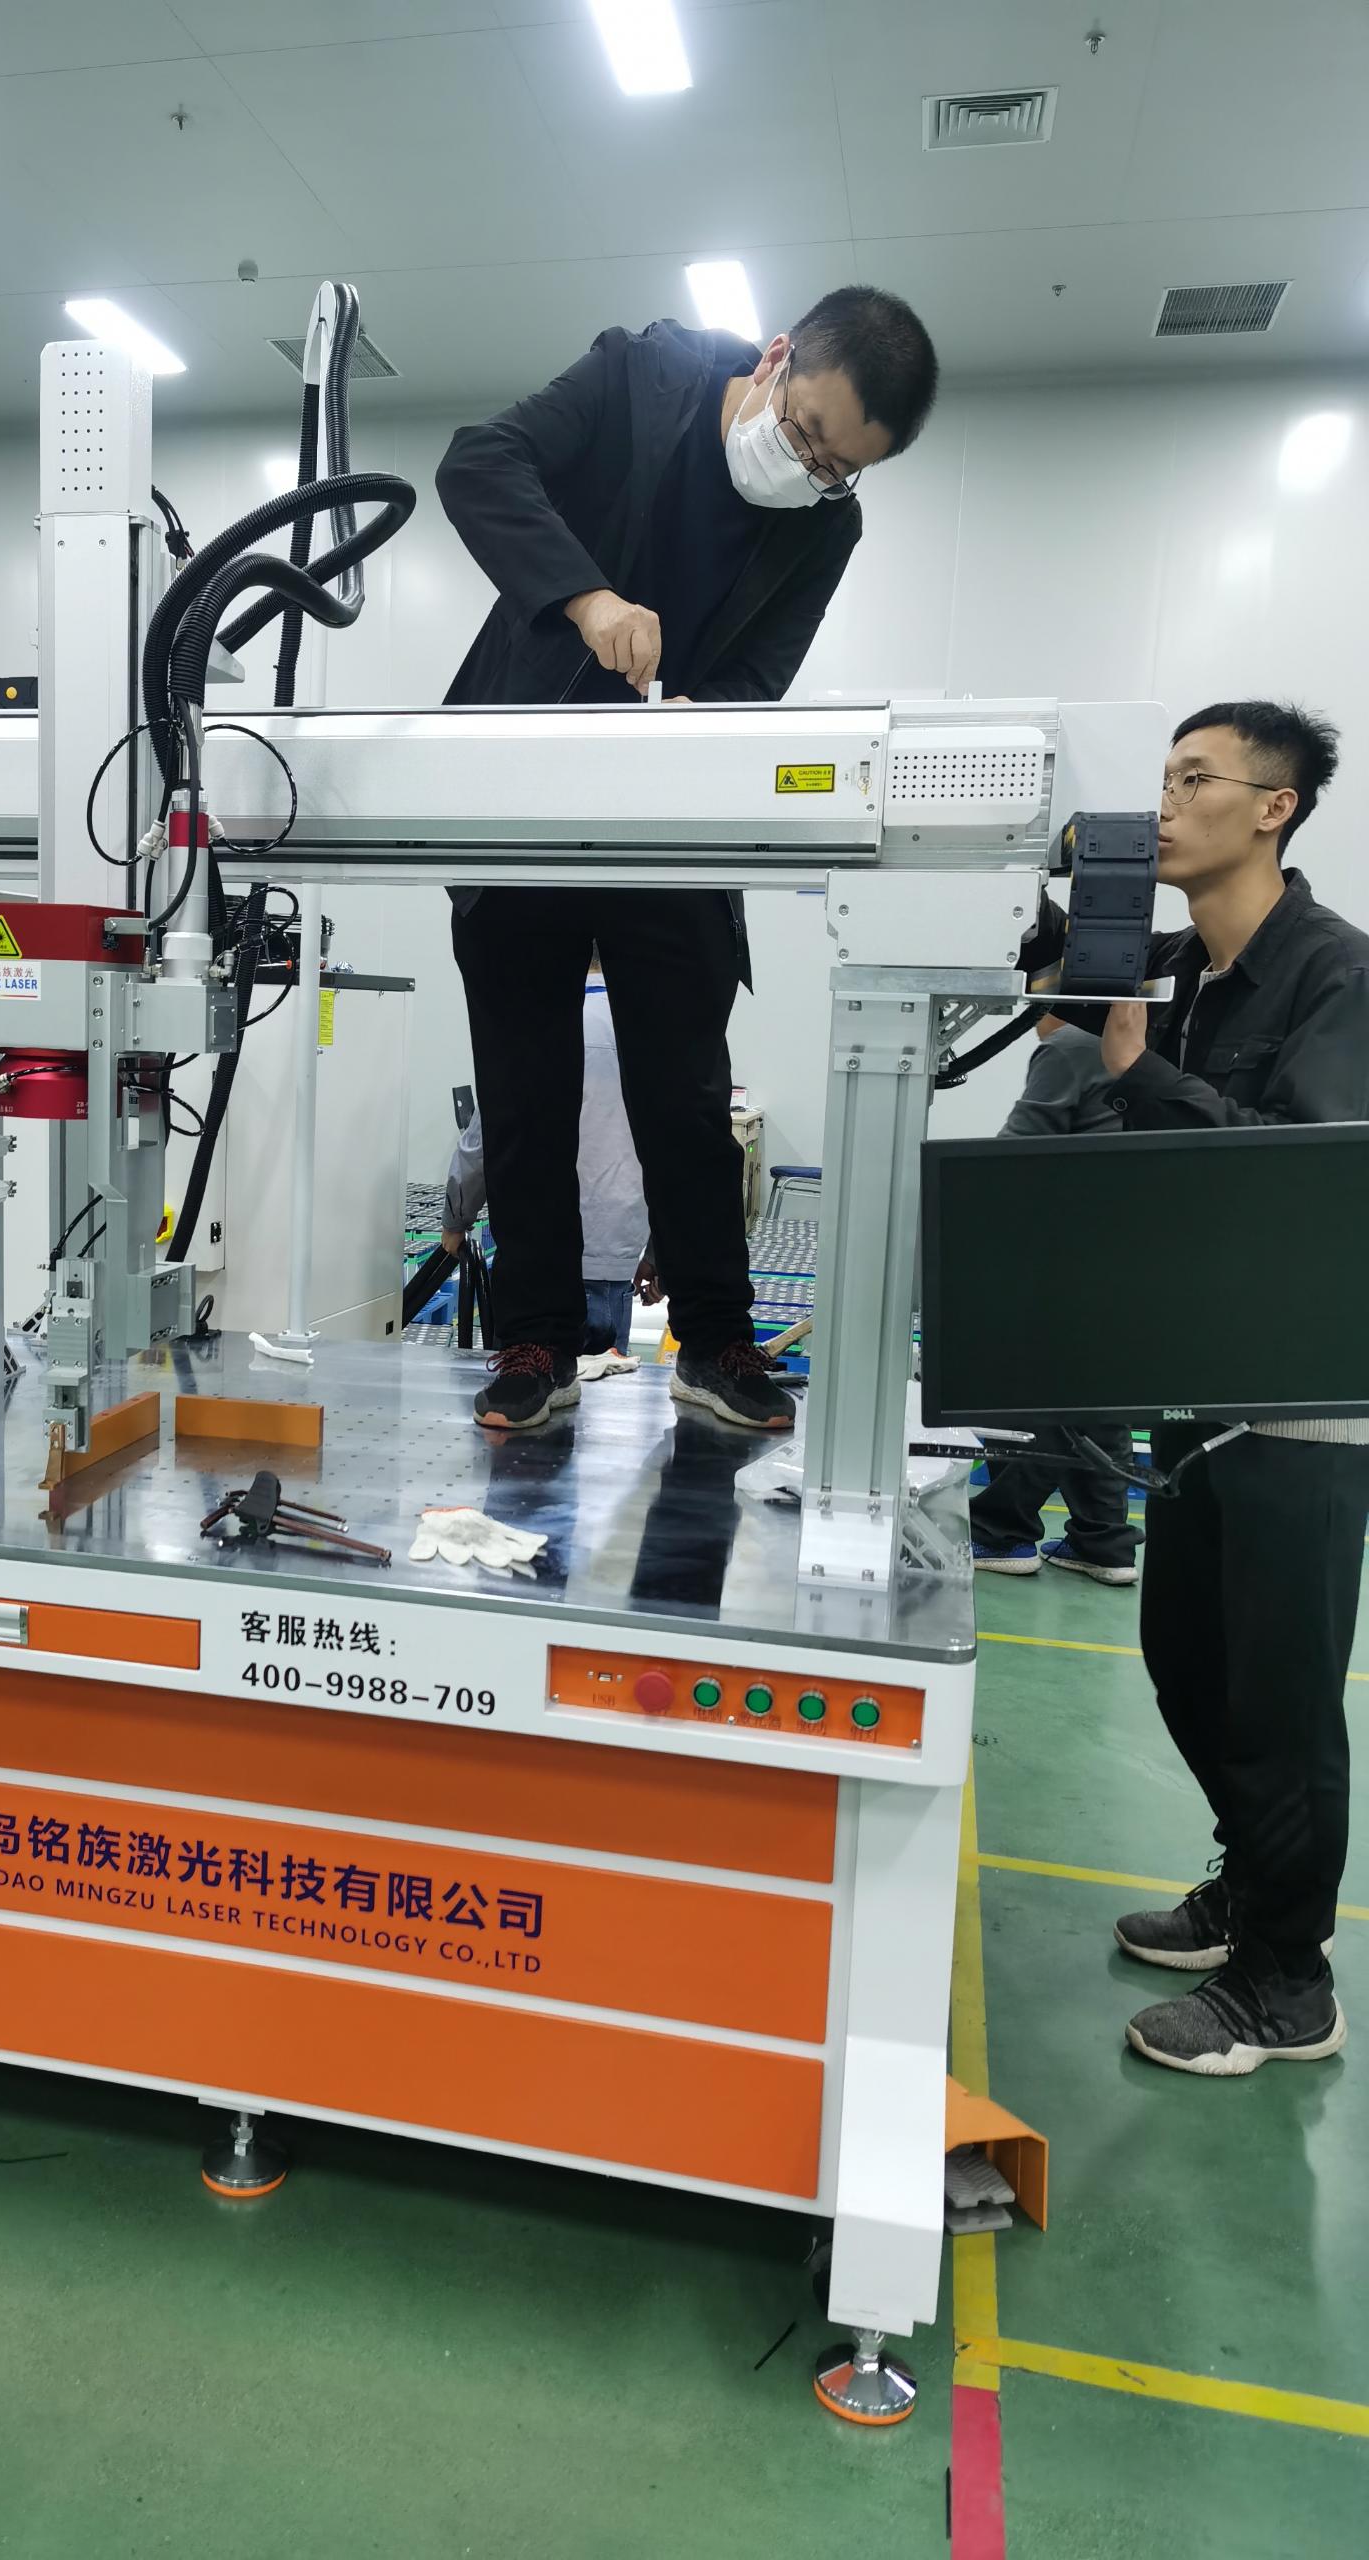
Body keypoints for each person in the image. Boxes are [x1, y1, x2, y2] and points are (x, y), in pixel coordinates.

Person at [437, 287, 940, 1432]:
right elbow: (478, 464)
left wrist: (694, 726)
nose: (809, 471)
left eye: (838, 469)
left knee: (687, 1094)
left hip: (665, 819)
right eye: (805, 434)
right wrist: (588, 598)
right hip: (519, 796)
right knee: (525, 1085)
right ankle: (537, 1341)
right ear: (775, 360)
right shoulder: (637, 379)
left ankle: (715, 1341)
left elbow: (758, 679)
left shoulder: (827, 527)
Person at [1038, 701, 1369, 2075]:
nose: (1165, 805)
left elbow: (1300, 1171)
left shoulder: (1337, 973)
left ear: (1274, 807)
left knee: (1282, 1699)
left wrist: (1141, 1068)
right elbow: (1056, 997)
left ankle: (1289, 1982)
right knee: (1189, 1663)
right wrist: (1064, 894)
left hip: (1300, 1390)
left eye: (1194, 780)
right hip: (1193, 1380)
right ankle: (1250, 1889)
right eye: (1160, 781)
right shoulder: (1172, 967)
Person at [969, 1011, 1140, 1585]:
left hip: (1067, 1248)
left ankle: (1001, 1531)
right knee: (1098, 1395)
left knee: (1028, 1393)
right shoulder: (1147, 1040)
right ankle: (1103, 1541)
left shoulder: (1070, 1045)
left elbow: (1013, 1156)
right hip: (1132, 1250)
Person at [443, 961, 649, 1369]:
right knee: (603, 1389)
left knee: (529, 1387)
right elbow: (672, 1155)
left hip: (535, 1258)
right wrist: (659, 1254)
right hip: (616, 1255)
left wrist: (456, 1220)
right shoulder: (647, 1028)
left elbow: (484, 1141)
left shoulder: (534, 1022)